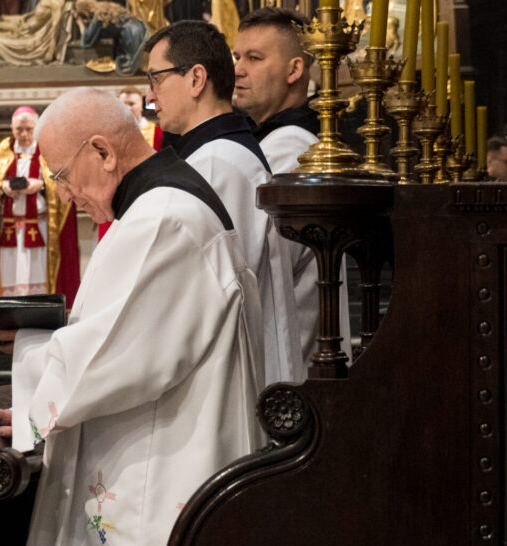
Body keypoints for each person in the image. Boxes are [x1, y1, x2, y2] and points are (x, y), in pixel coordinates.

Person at [0, 87, 264, 546]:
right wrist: (30, 410)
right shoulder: (153, 210)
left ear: (102, 152)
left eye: (60, 175)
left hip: (154, 478)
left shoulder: (164, 218)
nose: (62, 195)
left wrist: (27, 346)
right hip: (142, 453)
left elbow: (112, 358)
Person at [144, 19, 304, 385]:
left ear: (196, 79)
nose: (150, 95)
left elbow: (214, 290)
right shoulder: (214, 156)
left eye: (156, 78)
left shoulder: (219, 164)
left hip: (235, 375)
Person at [233, 6, 352, 366]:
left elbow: (251, 263)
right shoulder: (275, 143)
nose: (238, 69)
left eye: (254, 58)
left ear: (294, 70)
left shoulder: (290, 151)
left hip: (290, 364)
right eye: (237, 56)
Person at [0, 106, 81, 306]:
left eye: (29, 129)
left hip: (42, 230)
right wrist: (1, 188)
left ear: (37, 128)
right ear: (12, 128)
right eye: (19, 129)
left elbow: (64, 187)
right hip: (8, 231)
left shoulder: (48, 151)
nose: (24, 134)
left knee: (39, 280)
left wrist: (42, 186)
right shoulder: (3, 151)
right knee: (9, 279)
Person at [98, 86, 164, 239]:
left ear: (141, 104)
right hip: (115, 203)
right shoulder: (107, 136)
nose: (127, 109)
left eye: (132, 104)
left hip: (148, 202)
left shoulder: (157, 134)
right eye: (123, 105)